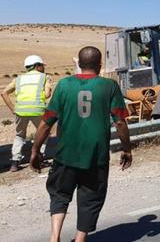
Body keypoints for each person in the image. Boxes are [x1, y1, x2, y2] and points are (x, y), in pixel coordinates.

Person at [29, 46, 132, 242]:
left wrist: (35, 150)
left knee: (59, 194)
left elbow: (47, 121)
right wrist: (127, 149)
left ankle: (54, 236)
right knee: (90, 198)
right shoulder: (109, 86)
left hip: (65, 154)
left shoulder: (64, 85)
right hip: (95, 156)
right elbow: (120, 121)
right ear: (100, 65)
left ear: (79, 64)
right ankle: (80, 239)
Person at [1, 55, 52, 172]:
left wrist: (13, 109)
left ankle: (15, 161)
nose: (43, 68)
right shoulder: (45, 77)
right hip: (38, 109)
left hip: (20, 111)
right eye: (41, 65)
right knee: (43, 134)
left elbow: (4, 93)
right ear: (37, 66)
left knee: (19, 135)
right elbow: (48, 94)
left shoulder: (18, 79)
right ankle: (39, 157)